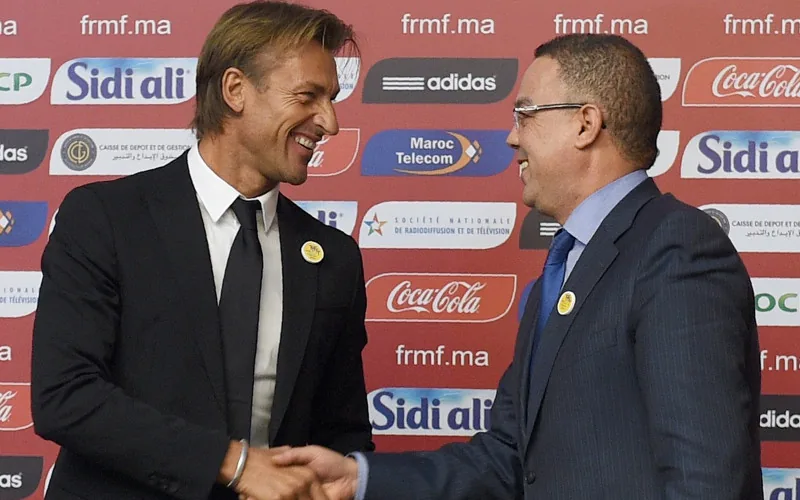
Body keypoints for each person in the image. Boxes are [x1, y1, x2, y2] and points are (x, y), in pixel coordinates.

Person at [271, 33, 764, 499]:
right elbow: (507, 458)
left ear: (585, 124)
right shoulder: (567, 264)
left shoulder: (675, 249)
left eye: (525, 114)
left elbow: (707, 480)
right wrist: (358, 478)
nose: (511, 137)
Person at [31, 2, 374, 499]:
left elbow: (341, 433)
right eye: (308, 96)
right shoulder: (106, 218)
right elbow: (65, 396)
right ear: (236, 90)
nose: (330, 122)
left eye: (332, 99)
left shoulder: (333, 257)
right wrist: (234, 464)